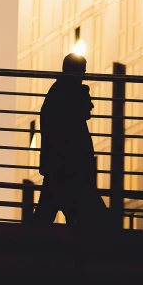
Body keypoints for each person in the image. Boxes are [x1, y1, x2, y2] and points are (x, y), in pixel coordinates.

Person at [32, 53, 109, 227]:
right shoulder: (67, 93)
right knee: (99, 224)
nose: (92, 106)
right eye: (82, 72)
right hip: (69, 172)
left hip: (60, 171)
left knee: (44, 219)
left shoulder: (58, 92)